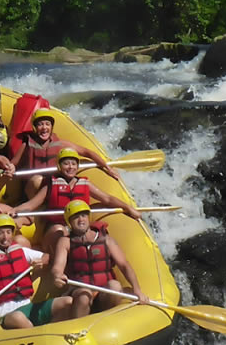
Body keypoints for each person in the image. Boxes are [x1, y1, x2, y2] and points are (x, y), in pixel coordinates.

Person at [13, 147, 142, 253]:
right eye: (66, 163)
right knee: (59, 230)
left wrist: (128, 208)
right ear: (59, 166)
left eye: (74, 164)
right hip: (55, 228)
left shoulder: (84, 183)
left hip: (78, 227)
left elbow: (107, 198)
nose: (70, 167)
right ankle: (53, 257)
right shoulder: (52, 184)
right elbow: (32, 204)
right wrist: (15, 210)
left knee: (91, 229)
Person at [0, 214, 72, 335]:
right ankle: (39, 337)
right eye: (0, 233)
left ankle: (53, 335)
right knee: (19, 318)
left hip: (28, 306)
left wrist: (40, 262)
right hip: (6, 314)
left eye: (8, 232)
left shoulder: (20, 251)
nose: (5, 237)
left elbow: (47, 257)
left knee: (68, 302)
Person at [51, 200, 149, 318]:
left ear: (88, 217)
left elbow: (124, 265)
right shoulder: (65, 242)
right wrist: (57, 275)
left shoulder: (106, 240)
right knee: (84, 294)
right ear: (70, 222)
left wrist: (137, 290)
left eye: (83, 215)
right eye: (76, 217)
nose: (81, 220)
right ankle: (78, 327)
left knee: (115, 286)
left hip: (104, 293)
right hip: (80, 292)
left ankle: (107, 322)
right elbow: (57, 267)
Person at [11, 108, 121, 199]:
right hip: (33, 189)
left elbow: (87, 152)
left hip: (54, 186)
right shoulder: (27, 145)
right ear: (35, 128)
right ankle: (34, 208)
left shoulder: (60, 144)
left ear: (51, 127)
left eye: (47, 124)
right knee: (36, 180)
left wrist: (108, 168)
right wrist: (10, 168)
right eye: (40, 124)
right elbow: (14, 163)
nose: (44, 128)